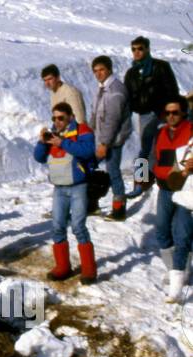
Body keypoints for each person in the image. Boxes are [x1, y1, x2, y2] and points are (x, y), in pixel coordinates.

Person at [33, 102, 98, 285]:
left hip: (78, 186)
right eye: (54, 118)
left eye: (61, 118)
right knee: (57, 226)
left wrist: (63, 143)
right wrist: (42, 141)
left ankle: (89, 269)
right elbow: (39, 157)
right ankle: (62, 266)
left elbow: (87, 151)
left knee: (78, 226)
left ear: (70, 116)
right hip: (59, 188)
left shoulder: (83, 130)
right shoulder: (52, 133)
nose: (57, 121)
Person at [125, 37, 181, 195]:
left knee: (164, 147)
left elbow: (172, 90)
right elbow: (129, 97)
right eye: (134, 49)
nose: (137, 52)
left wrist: (169, 113)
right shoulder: (132, 73)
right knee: (145, 148)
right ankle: (141, 181)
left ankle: (165, 178)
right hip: (142, 115)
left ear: (148, 49)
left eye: (140, 48)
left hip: (162, 114)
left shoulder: (161, 67)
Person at [149, 97, 193, 302]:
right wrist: (141, 180)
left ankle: (179, 278)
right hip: (165, 189)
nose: (171, 116)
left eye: (175, 112)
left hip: (186, 190)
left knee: (182, 233)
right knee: (161, 230)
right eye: (167, 113)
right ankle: (174, 269)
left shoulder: (191, 130)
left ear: (183, 113)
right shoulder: (160, 132)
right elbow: (148, 156)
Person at [90, 55, 131, 221]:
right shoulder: (102, 88)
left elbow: (112, 120)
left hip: (112, 140)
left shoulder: (115, 90)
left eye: (101, 70)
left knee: (113, 171)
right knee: (91, 166)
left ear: (109, 69)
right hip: (103, 138)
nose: (98, 73)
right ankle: (92, 203)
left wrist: (104, 143)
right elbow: (96, 113)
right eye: (95, 71)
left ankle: (119, 208)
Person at [41, 65, 88, 134]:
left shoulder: (70, 92)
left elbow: (80, 121)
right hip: (63, 137)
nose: (47, 83)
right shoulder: (53, 93)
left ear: (58, 78)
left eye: (50, 79)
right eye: (45, 80)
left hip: (75, 137)